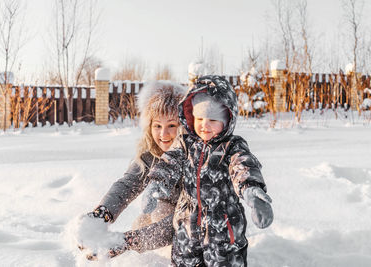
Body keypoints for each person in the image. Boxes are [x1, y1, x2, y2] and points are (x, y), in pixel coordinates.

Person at [146, 75, 274, 266]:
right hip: (186, 226)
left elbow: (243, 166)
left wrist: (252, 192)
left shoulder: (232, 146)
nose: (204, 125)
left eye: (213, 119)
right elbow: (168, 163)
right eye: (199, 118)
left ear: (228, 119)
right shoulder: (185, 143)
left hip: (223, 228)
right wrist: (156, 184)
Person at [87, 80, 187, 254]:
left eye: (172, 125)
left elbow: (185, 218)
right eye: (157, 126)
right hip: (166, 224)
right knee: (143, 220)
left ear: (184, 127)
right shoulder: (151, 155)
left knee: (159, 213)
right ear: (149, 127)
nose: (163, 134)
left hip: (194, 230)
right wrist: (103, 215)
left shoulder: (195, 159)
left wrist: (130, 241)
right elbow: (126, 185)